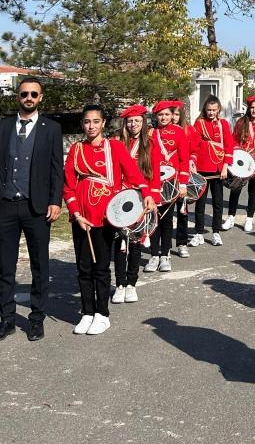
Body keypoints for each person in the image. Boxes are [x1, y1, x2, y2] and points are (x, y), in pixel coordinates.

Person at [0, 77, 63, 343]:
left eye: (33, 94)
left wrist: (55, 201)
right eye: (24, 93)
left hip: (36, 208)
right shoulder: (2, 127)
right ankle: (6, 320)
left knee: (40, 265)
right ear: (18, 96)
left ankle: (36, 319)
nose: (29, 97)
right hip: (5, 207)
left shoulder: (51, 129)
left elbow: (55, 170)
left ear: (40, 98)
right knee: (6, 267)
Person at [63, 104, 155, 335]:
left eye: (96, 121)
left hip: (105, 217)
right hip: (81, 219)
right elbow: (68, 185)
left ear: (103, 123)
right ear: (82, 124)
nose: (91, 126)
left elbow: (134, 174)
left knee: (101, 268)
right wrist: (75, 213)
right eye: (87, 122)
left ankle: (102, 314)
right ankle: (86, 312)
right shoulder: (76, 149)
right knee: (83, 268)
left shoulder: (114, 147)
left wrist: (147, 194)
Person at [113, 105, 164, 299]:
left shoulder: (150, 143)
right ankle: (119, 284)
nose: (133, 124)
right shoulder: (116, 142)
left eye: (137, 121)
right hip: (120, 196)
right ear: (125, 123)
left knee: (134, 242)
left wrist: (154, 198)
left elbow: (155, 174)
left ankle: (131, 284)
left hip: (141, 197)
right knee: (119, 242)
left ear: (143, 123)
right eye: (130, 121)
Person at [190, 96, 234, 247]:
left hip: (217, 167)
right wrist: (193, 163)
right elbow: (194, 144)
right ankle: (198, 233)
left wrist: (225, 166)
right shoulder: (199, 123)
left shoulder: (224, 124)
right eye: (209, 110)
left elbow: (229, 145)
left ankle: (216, 232)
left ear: (218, 110)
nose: (211, 113)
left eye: (214, 110)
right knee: (200, 203)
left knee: (218, 202)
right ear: (205, 109)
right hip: (202, 167)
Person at [151, 100, 192, 262]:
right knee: (154, 218)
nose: (163, 117)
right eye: (160, 114)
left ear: (172, 115)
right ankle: (154, 254)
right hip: (154, 182)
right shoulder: (150, 133)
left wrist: (183, 183)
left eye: (167, 114)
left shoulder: (180, 132)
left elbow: (184, 159)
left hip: (172, 182)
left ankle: (165, 254)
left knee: (167, 220)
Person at [225, 95, 255, 233]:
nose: (254, 111)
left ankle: (249, 218)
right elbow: (233, 140)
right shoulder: (241, 122)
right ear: (248, 108)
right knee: (236, 189)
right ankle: (231, 217)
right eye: (252, 108)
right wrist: (238, 151)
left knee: (253, 191)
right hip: (241, 161)